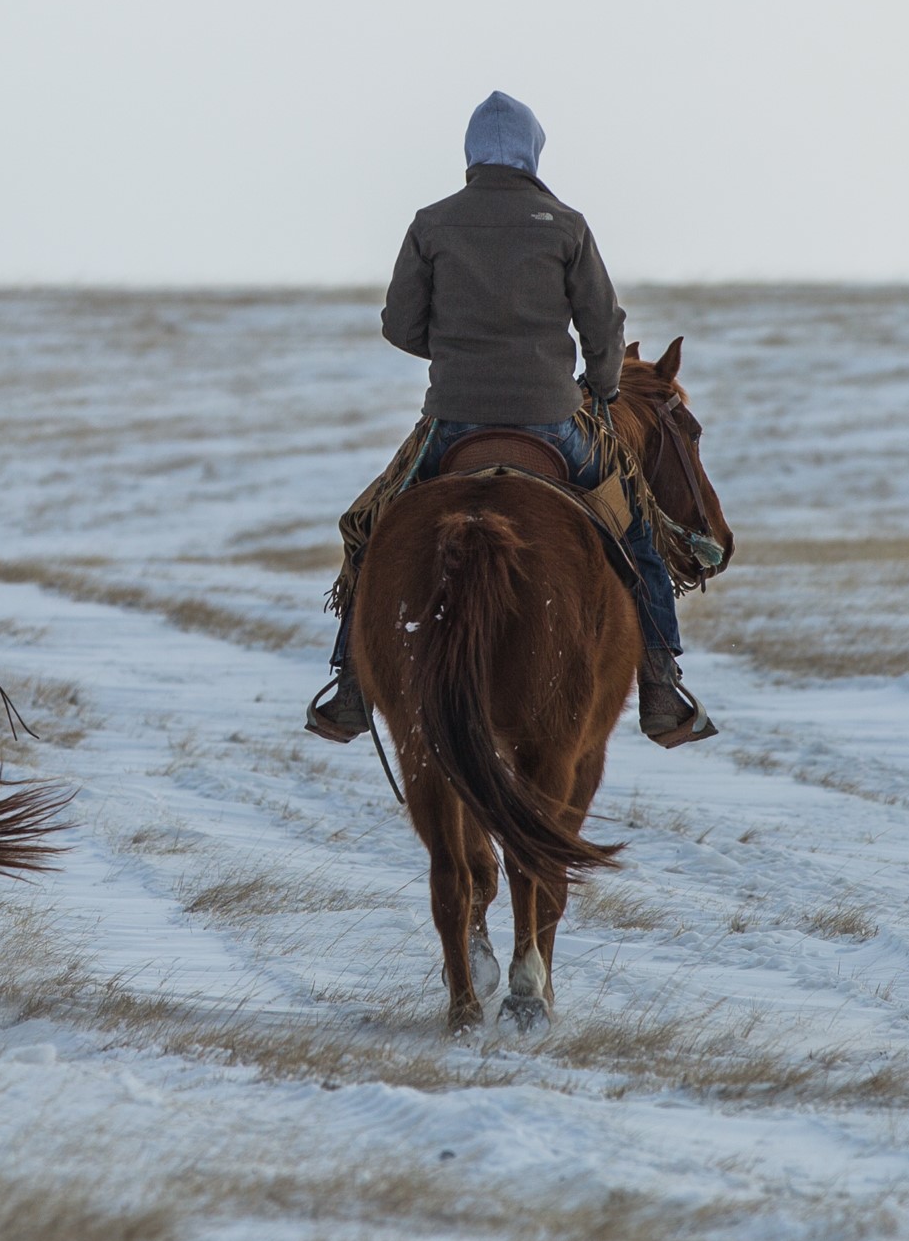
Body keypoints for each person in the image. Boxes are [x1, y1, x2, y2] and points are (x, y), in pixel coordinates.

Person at [306, 91, 715, 749]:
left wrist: (458, 354)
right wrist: (603, 389)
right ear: (533, 152)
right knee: (635, 528)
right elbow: (603, 327)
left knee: (371, 528)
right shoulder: (564, 223)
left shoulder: (431, 222)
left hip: (452, 422)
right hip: (552, 420)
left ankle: (351, 688)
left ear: (469, 153)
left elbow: (398, 325)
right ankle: (662, 686)